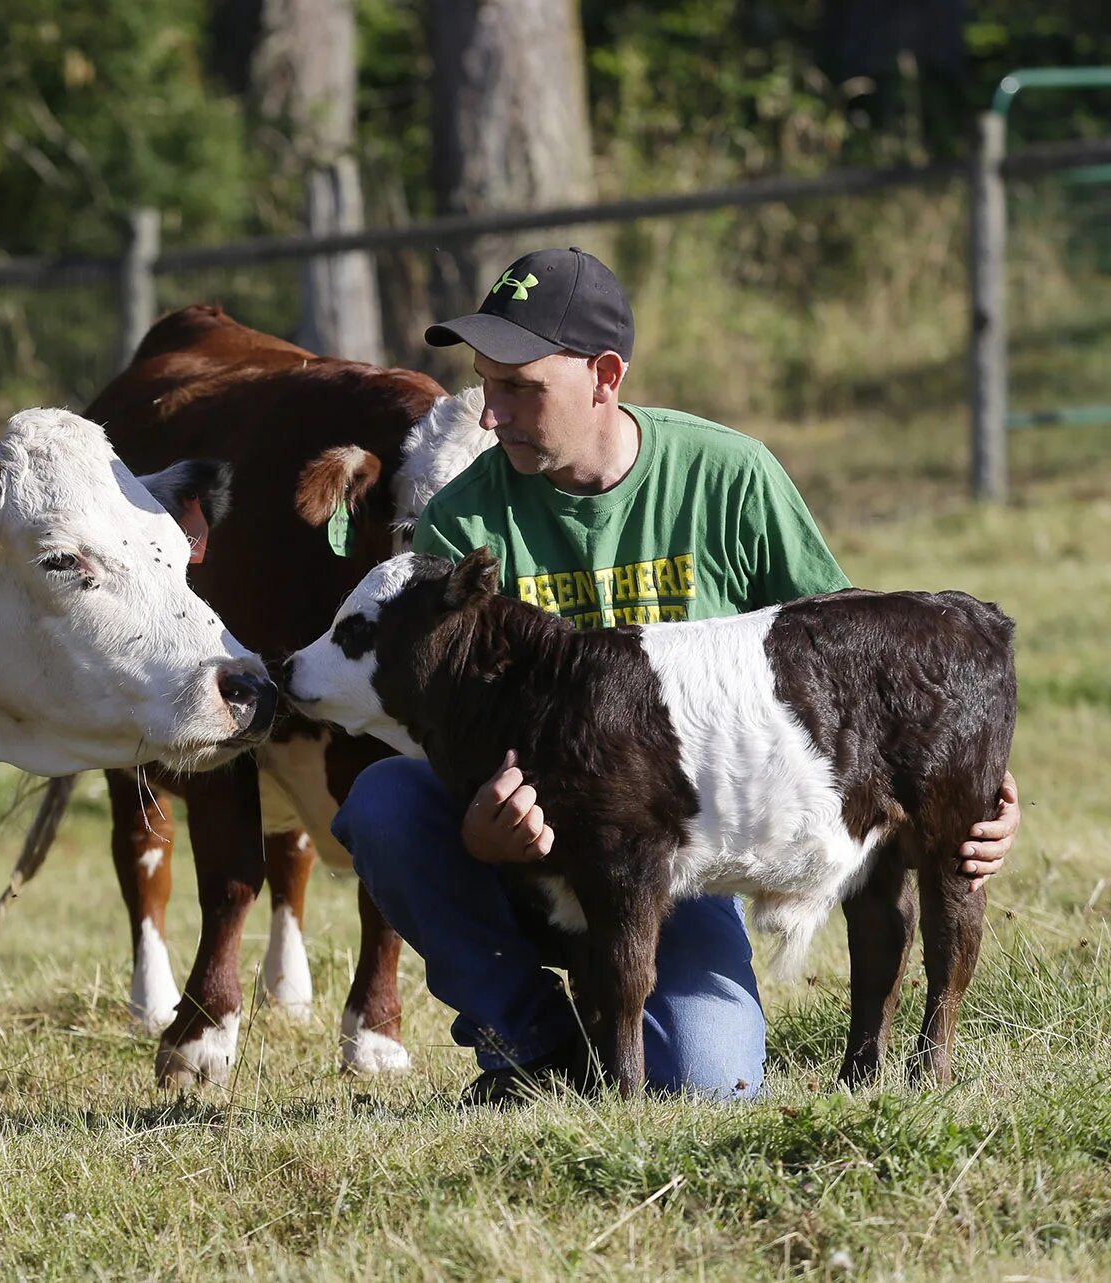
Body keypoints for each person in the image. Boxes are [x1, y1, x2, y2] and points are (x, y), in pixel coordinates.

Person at [330, 247, 1022, 1104]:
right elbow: (429, 712)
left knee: (710, 1079)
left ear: (605, 376)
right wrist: (476, 825)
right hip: (525, 844)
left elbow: (854, 671)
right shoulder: (461, 521)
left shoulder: (728, 477)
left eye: (521, 388)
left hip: (674, 857)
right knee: (386, 802)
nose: (491, 413)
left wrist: (972, 783)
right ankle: (533, 1049)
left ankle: (657, 1028)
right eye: (485, 383)